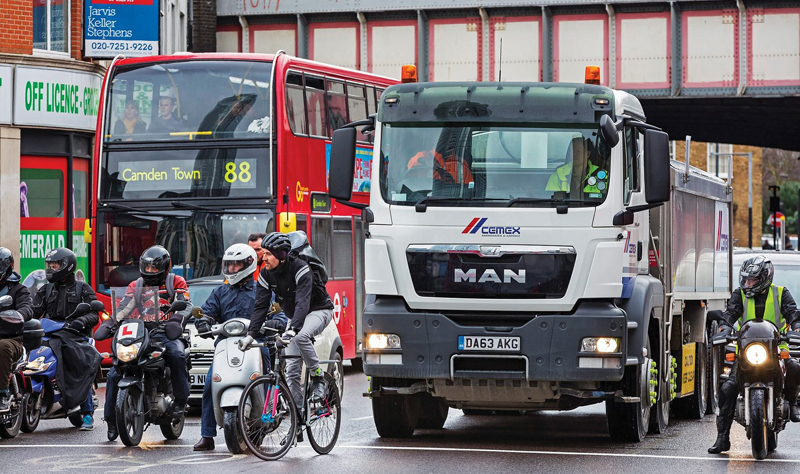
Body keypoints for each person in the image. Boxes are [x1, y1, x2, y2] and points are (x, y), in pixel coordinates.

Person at [192, 244, 288, 451]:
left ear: (249, 264)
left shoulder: (263, 290)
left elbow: (279, 315)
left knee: (265, 378)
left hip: (256, 345)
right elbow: (207, 313)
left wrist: (275, 323)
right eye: (229, 265)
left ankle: (265, 420)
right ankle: (207, 435)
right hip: (225, 347)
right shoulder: (220, 292)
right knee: (209, 384)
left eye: (237, 265)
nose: (232, 269)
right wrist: (203, 323)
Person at [708, 255, 800, 454]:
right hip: (746, 351)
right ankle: (722, 438)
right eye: (746, 279)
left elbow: (792, 312)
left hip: (776, 349)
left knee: (794, 367)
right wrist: (724, 328)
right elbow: (730, 314)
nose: (747, 283)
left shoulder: (781, 293)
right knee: (728, 387)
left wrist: (797, 327)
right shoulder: (739, 294)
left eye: (752, 280)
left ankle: (792, 403)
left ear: (765, 278)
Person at [104, 245, 193, 441]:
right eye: (147, 267)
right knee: (114, 372)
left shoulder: (175, 281)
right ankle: (111, 419)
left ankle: (179, 402)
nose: (150, 272)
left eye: (154, 268)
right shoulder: (135, 286)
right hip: (140, 333)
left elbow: (184, 304)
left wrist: (176, 321)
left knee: (177, 355)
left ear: (165, 267)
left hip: (165, 333)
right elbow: (125, 307)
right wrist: (112, 321)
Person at [241, 233, 334, 408]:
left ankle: (318, 378)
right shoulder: (266, 274)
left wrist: (292, 330)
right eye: (264, 253)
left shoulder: (301, 268)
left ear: (281, 255)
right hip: (296, 316)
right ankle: (296, 416)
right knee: (292, 371)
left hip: (319, 310)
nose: (264, 258)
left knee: (300, 337)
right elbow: (260, 307)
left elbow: (303, 303)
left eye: (268, 254)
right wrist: (251, 335)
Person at [32, 248, 99, 430]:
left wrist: (80, 322)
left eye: (54, 266)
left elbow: (94, 315)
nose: (51, 269)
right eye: (49, 266)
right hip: (50, 334)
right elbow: (33, 311)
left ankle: (87, 413)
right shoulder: (45, 289)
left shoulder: (82, 288)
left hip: (74, 335)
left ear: (66, 266)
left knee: (78, 365)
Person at [0, 247, 33, 412]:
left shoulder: (19, 290)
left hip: (12, 339)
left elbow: (27, 308)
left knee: (2, 346)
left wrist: (18, 314)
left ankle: (2, 394)